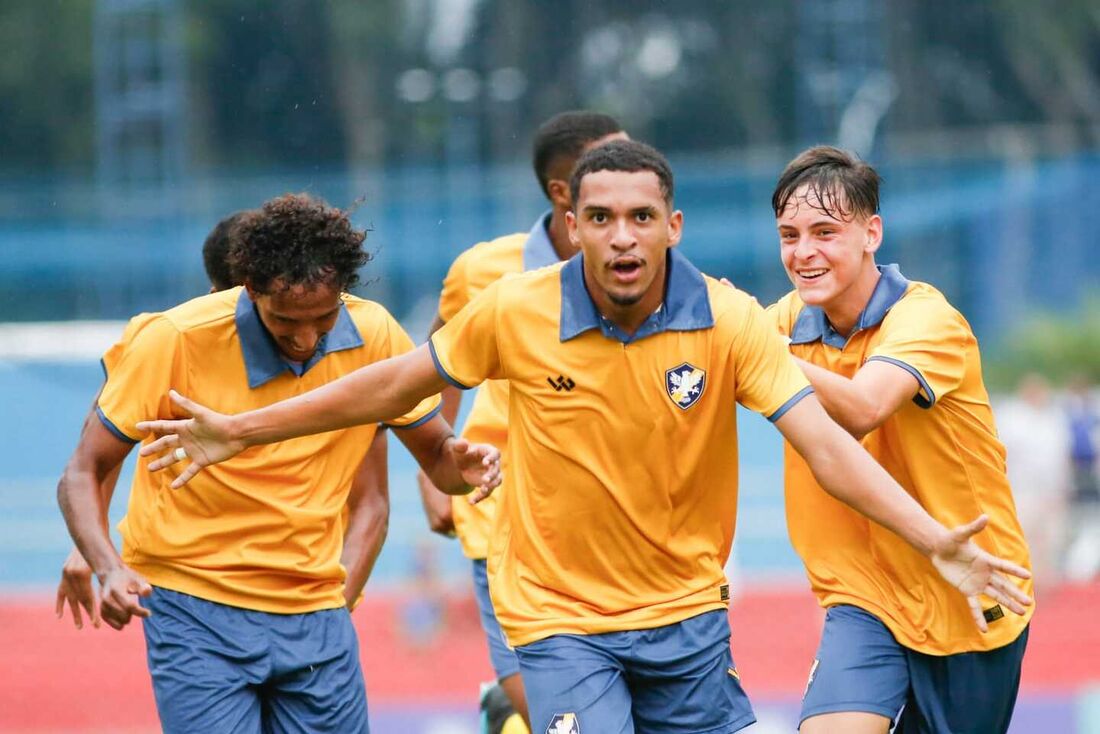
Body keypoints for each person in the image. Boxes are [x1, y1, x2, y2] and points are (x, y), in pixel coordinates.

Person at [135, 142, 1031, 734]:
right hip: (567, 620)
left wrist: (929, 538)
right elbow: (386, 387)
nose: (621, 235)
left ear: (672, 228)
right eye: (600, 217)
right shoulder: (515, 307)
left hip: (712, 617)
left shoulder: (746, 322)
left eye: (641, 217)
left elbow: (842, 436)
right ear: (574, 227)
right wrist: (237, 430)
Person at [57, 193, 501, 733]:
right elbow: (84, 469)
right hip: (194, 606)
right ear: (250, 290)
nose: (306, 338)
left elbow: (434, 461)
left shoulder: (376, 334)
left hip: (315, 611)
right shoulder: (174, 339)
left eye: (324, 317)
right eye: (285, 320)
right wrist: (105, 564)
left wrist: (463, 463)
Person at [767, 146, 1034, 733]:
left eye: (824, 232)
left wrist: (755, 351)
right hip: (862, 599)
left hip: (970, 587)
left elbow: (862, 408)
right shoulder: (781, 323)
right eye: (789, 235)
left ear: (872, 233)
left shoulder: (926, 319)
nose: (803, 251)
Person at [417, 110, 626, 732]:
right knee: (559, 713)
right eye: (609, 164)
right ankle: (508, 707)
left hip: (618, 521)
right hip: (503, 510)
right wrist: (433, 469)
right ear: (563, 192)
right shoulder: (483, 272)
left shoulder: (647, 264)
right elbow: (435, 364)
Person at [56, 209, 272, 630]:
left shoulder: (322, 341)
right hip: (188, 577)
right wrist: (89, 545)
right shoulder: (165, 339)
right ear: (218, 295)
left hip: (291, 571)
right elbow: (105, 439)